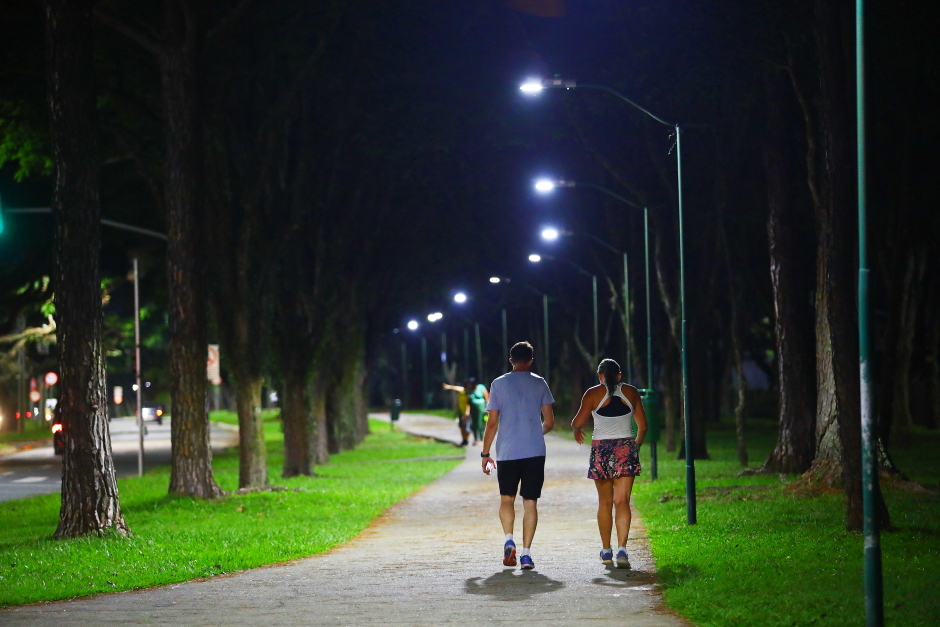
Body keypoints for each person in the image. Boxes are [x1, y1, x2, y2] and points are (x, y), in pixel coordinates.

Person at [481, 341, 555, 570]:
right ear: (531, 360)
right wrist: (534, 433)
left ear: (511, 360)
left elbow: (492, 423)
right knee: (530, 501)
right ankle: (526, 555)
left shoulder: (498, 384)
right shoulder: (540, 382)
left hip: (507, 451)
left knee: (507, 498)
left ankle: (508, 540)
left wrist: (485, 453)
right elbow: (549, 422)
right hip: (534, 451)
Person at [570, 358, 647, 569]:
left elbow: (577, 422)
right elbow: (642, 426)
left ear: (600, 376)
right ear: (619, 375)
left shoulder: (592, 393)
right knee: (622, 501)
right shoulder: (631, 392)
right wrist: (635, 446)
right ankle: (622, 550)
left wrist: (577, 428)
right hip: (625, 448)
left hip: (601, 450)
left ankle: (606, 551)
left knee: (605, 503)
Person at [442, 380, 473, 446]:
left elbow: (468, 404)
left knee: (467, 427)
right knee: (462, 427)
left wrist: (449, 387)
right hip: (461, 412)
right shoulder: (460, 394)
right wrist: (457, 412)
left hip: (467, 413)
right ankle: (464, 440)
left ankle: (467, 440)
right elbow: (459, 404)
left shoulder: (466, 392)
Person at [467, 380, 489, 445]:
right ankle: (475, 439)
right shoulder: (470, 390)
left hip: (481, 408)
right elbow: (468, 402)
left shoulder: (481, 387)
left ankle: (481, 439)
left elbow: (486, 396)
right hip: (473, 409)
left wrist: (488, 406)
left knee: (480, 424)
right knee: (474, 424)